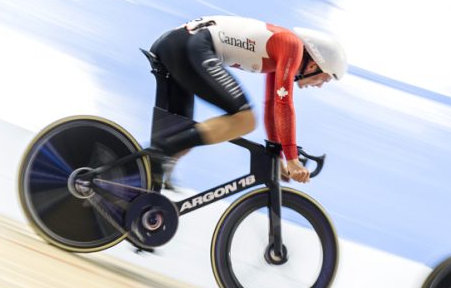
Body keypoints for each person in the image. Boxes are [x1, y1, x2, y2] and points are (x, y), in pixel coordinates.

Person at [149, 15, 348, 185]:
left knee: (181, 141)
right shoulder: (292, 47)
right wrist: (292, 158)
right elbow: (284, 103)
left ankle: (146, 183)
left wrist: (276, 152)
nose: (321, 85)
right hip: (191, 45)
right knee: (245, 120)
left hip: (176, 44)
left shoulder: (281, 52)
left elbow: (272, 106)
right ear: (314, 65)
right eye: (326, 78)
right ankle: (157, 154)